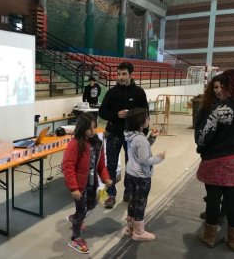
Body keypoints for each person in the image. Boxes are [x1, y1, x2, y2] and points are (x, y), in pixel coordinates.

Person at [195, 69, 234, 252]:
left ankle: (209, 236)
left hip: (217, 160)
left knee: (213, 199)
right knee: (233, 201)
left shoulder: (222, 109)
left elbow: (203, 138)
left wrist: (202, 149)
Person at [99, 61, 149, 209]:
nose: (120, 77)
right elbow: (102, 112)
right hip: (114, 135)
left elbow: (146, 115)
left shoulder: (139, 93)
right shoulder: (111, 92)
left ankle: (129, 191)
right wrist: (116, 115)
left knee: (131, 166)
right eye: (118, 73)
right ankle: (111, 194)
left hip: (132, 137)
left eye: (124, 74)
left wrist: (143, 134)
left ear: (131, 75)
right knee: (111, 166)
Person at [62, 112, 112, 254]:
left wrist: (105, 177)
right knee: (81, 210)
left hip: (92, 183)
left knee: (92, 204)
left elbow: (101, 165)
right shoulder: (74, 145)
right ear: (81, 128)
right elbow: (68, 167)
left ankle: (75, 218)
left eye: (94, 128)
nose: (92, 131)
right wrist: (73, 188)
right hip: (79, 186)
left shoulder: (97, 143)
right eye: (89, 129)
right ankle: (75, 238)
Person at [123, 108, 165, 241]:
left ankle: (130, 227)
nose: (149, 120)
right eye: (147, 118)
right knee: (141, 202)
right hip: (141, 176)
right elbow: (145, 160)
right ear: (140, 122)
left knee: (133, 200)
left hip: (131, 173)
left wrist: (151, 137)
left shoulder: (131, 134)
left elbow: (140, 150)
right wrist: (159, 158)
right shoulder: (140, 139)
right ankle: (138, 232)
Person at [196, 75, 226, 221]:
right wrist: (201, 147)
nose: (218, 90)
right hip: (210, 154)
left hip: (227, 155)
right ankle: (212, 216)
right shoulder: (207, 106)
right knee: (212, 189)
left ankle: (223, 212)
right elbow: (199, 128)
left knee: (227, 188)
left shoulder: (231, 106)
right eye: (215, 87)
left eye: (221, 87)